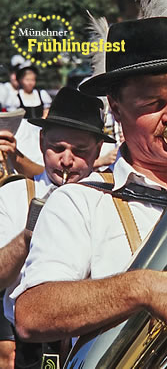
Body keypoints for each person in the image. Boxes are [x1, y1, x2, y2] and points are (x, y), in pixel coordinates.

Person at [12, 15, 167, 364]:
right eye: (152, 103)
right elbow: (32, 313)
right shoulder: (81, 200)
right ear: (116, 110)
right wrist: (146, 288)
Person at [0, 87, 114, 368]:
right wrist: (28, 237)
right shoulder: (14, 194)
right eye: (57, 148)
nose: (66, 160)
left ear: (98, 150)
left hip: (92, 343)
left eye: (80, 151)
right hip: (27, 348)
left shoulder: (110, 198)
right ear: (41, 142)